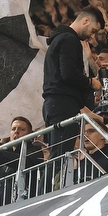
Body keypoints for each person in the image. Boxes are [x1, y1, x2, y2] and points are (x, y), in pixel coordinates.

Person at [42, 9, 100, 161]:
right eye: (93, 31)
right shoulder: (69, 39)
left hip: (54, 104)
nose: (92, 36)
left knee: (58, 156)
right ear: (86, 20)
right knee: (59, 158)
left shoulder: (60, 39)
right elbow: (68, 73)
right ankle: (48, 186)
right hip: (63, 104)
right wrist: (90, 82)